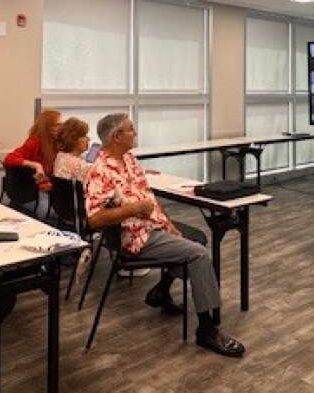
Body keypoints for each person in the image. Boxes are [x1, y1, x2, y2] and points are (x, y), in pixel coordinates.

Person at [84, 113, 245, 358]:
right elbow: (94, 219)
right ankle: (207, 329)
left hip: (152, 227)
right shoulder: (100, 171)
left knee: (195, 239)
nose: (135, 133)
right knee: (199, 254)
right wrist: (133, 209)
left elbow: (149, 199)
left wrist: (169, 226)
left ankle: (161, 291)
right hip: (136, 237)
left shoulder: (129, 159)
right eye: (131, 129)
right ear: (116, 136)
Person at [3, 109, 62, 191]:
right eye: (57, 125)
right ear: (47, 127)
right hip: (35, 187)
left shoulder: (56, 142)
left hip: (48, 183)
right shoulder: (34, 142)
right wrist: (36, 165)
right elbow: (9, 158)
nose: (61, 128)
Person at [53, 118, 94, 182]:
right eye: (84, 136)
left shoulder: (61, 155)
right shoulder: (78, 165)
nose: (89, 139)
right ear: (73, 140)